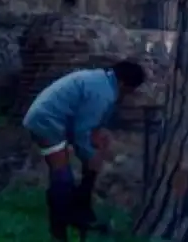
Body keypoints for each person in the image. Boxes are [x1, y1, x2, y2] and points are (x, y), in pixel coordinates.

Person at [22, 60, 146, 241]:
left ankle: (78, 211)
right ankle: (59, 228)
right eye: (129, 91)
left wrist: (97, 142)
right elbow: (82, 131)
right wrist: (90, 157)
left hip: (55, 120)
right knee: (62, 174)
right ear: (123, 84)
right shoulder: (103, 93)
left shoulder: (102, 82)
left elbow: (91, 125)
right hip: (46, 121)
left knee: (85, 158)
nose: (128, 96)